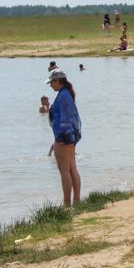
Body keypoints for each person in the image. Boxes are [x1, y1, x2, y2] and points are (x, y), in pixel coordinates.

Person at [45, 69, 82, 207]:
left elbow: (67, 118)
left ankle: (67, 204)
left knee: (64, 171)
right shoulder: (66, 94)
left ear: (57, 81)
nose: (50, 85)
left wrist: (63, 138)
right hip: (70, 137)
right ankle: (77, 201)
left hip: (64, 138)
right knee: (72, 168)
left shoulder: (63, 96)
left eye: (51, 82)